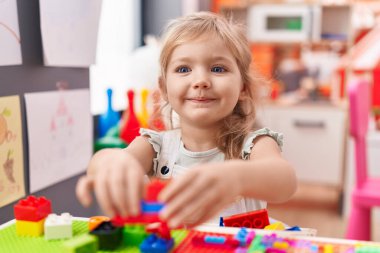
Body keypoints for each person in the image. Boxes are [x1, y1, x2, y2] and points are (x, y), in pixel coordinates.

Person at [76, 11, 297, 229]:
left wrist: (236, 177)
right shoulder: (156, 146)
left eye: (218, 69)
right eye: (184, 69)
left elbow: (285, 181)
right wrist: (112, 163)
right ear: (163, 88)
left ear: (243, 88)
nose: (200, 81)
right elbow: (101, 162)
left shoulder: (254, 144)